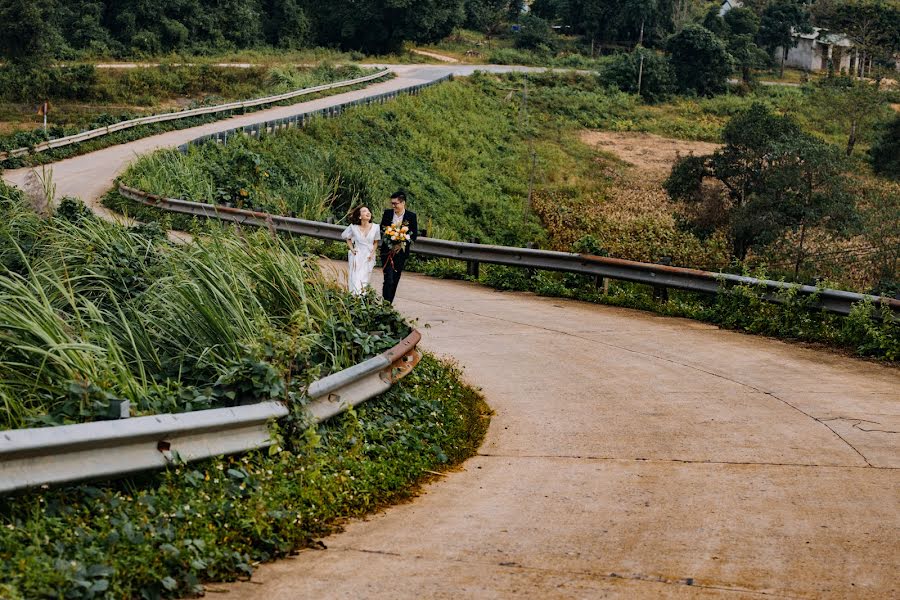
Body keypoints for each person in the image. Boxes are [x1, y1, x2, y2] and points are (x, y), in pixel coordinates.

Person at [379, 190, 418, 303]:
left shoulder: (411, 216)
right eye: (392, 203)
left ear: (403, 203)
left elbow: (413, 234)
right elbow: (383, 229)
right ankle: (385, 302)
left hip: (401, 253)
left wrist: (402, 243)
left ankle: (389, 303)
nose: (393, 206)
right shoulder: (387, 213)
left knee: (395, 279)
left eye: (395, 203)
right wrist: (389, 239)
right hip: (387, 251)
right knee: (388, 278)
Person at [341, 206, 379, 295]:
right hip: (357, 255)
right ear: (359, 216)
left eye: (369, 211)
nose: (368, 213)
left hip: (368, 256)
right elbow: (347, 238)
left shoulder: (376, 227)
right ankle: (354, 298)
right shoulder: (353, 227)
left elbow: (376, 242)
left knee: (364, 280)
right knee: (355, 278)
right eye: (365, 211)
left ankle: (362, 299)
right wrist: (352, 249)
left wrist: (372, 254)